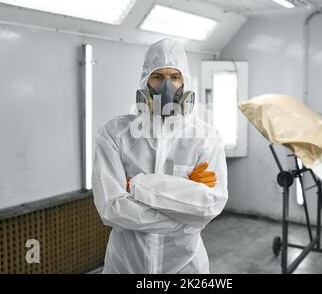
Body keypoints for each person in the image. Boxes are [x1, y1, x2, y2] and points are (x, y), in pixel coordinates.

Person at [92, 38, 228, 274]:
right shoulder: (114, 134)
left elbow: (210, 206)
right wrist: (185, 209)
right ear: (145, 82)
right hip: (126, 265)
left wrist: (136, 186)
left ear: (185, 83)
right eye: (158, 77)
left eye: (174, 77)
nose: (167, 86)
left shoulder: (206, 137)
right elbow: (111, 209)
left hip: (186, 266)